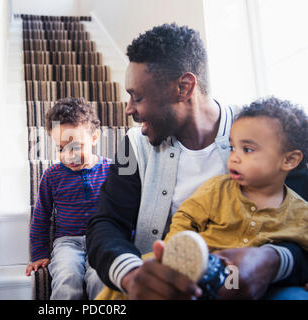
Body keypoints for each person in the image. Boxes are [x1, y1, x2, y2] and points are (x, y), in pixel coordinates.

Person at [86, 23, 308, 300]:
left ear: (184, 87)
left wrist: (273, 260)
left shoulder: (263, 132)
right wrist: (132, 275)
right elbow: (105, 224)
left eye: (137, 97)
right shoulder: (134, 146)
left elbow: (299, 218)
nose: (129, 109)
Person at [25, 97, 111, 299]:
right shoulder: (52, 176)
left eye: (76, 146)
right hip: (67, 243)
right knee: (66, 278)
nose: (68, 155)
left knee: (100, 279)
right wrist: (40, 254)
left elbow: (124, 211)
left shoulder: (112, 170)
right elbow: (41, 217)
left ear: (94, 137)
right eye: (61, 148)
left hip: (102, 239)